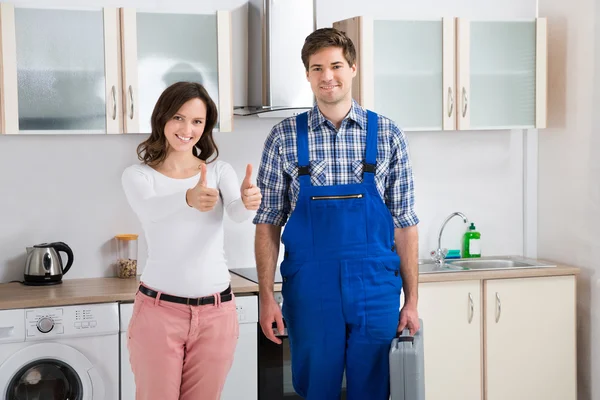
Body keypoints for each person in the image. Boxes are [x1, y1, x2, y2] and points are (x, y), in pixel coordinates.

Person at [253, 28, 420, 400]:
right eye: (317, 68)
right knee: (317, 389)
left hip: (375, 288)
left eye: (335, 65)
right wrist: (266, 297)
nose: (327, 76)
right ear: (308, 74)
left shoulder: (388, 135)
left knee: (373, 389)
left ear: (353, 67)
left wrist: (411, 300)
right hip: (311, 290)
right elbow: (267, 224)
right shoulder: (282, 137)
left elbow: (405, 225)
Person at [121, 81, 262, 400]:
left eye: (197, 121)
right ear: (163, 118)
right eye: (179, 118)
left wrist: (249, 200)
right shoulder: (139, 175)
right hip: (159, 312)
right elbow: (151, 209)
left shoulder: (218, 170)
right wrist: (187, 196)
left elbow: (238, 213)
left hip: (217, 313)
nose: (187, 129)